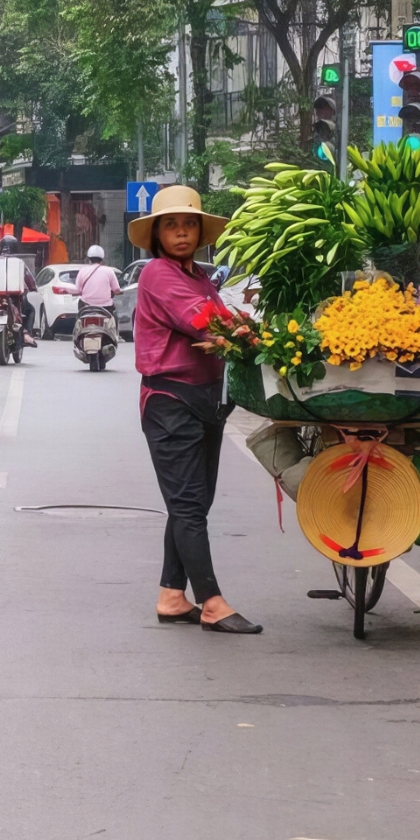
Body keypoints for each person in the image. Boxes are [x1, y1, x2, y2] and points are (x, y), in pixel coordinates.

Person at [128, 185, 260, 635]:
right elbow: (202, 319)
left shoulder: (200, 275)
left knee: (192, 504)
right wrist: (246, 333)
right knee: (188, 505)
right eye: (171, 225)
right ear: (156, 235)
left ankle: (171, 595)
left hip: (205, 400)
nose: (181, 233)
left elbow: (222, 314)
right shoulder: (158, 275)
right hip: (170, 401)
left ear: (200, 231)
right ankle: (212, 602)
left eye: (188, 224)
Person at [75, 244, 122, 312]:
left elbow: (78, 290)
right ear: (102, 259)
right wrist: (118, 292)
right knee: (113, 318)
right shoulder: (109, 270)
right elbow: (116, 289)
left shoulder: (83, 270)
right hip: (106, 307)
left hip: (86, 305)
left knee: (79, 318)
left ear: (89, 258)